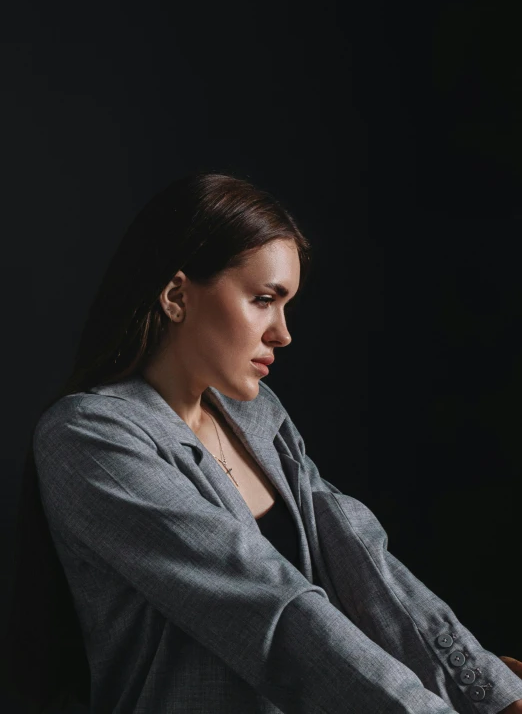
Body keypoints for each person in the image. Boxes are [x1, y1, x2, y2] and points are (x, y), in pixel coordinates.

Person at [3, 172, 522, 714]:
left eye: (286, 305)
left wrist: (488, 689)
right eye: (262, 300)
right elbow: (267, 606)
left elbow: (364, 566)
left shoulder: (257, 414)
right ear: (177, 295)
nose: (282, 332)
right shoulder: (88, 437)